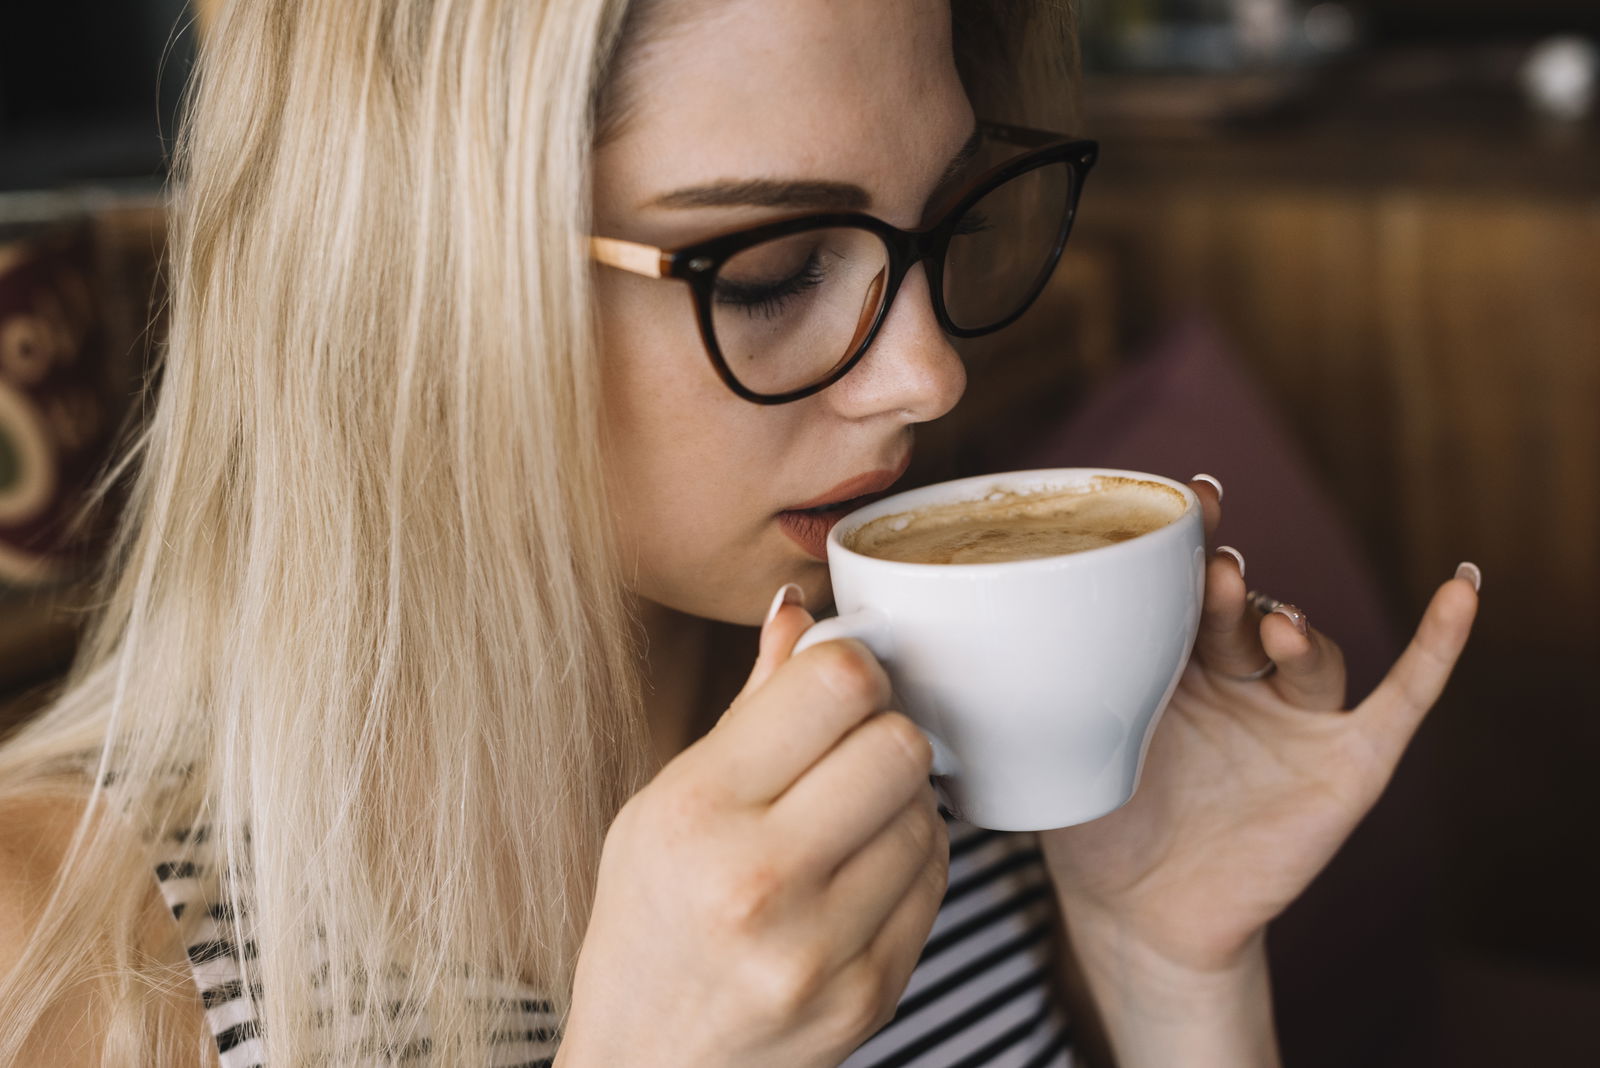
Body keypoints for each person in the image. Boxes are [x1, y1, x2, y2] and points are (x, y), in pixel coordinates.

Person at [0, 0, 1480, 1064]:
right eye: (770, 269)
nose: (930, 376)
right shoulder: (63, 953)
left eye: (946, 223)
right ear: (404, 287)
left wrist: (1171, 975)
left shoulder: (933, 756)